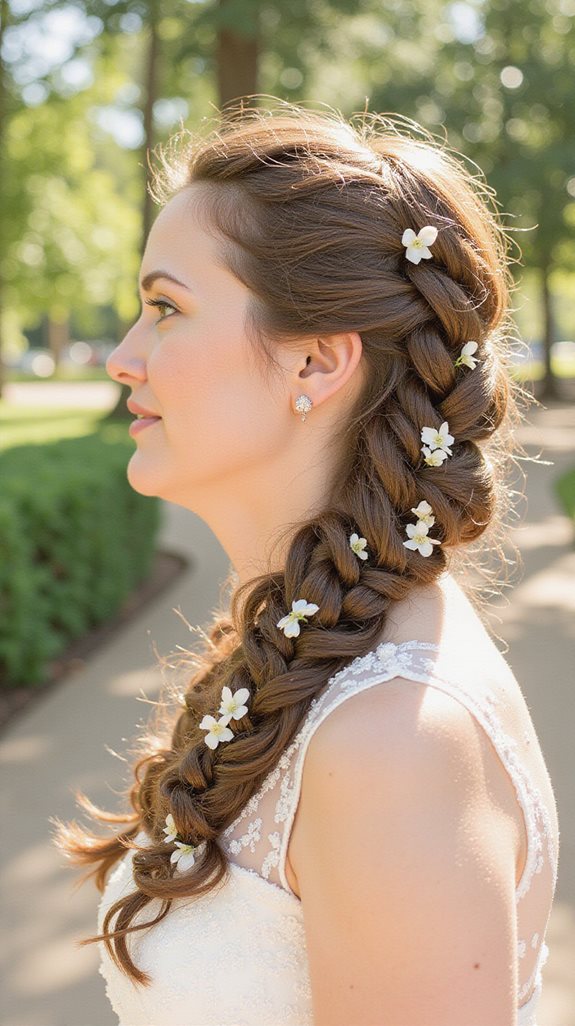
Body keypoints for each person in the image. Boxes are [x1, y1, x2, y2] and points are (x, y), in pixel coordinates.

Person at [52, 98, 559, 1026]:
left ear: (316, 364)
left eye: (165, 308)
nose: (125, 358)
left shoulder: (394, 744)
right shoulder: (318, 632)